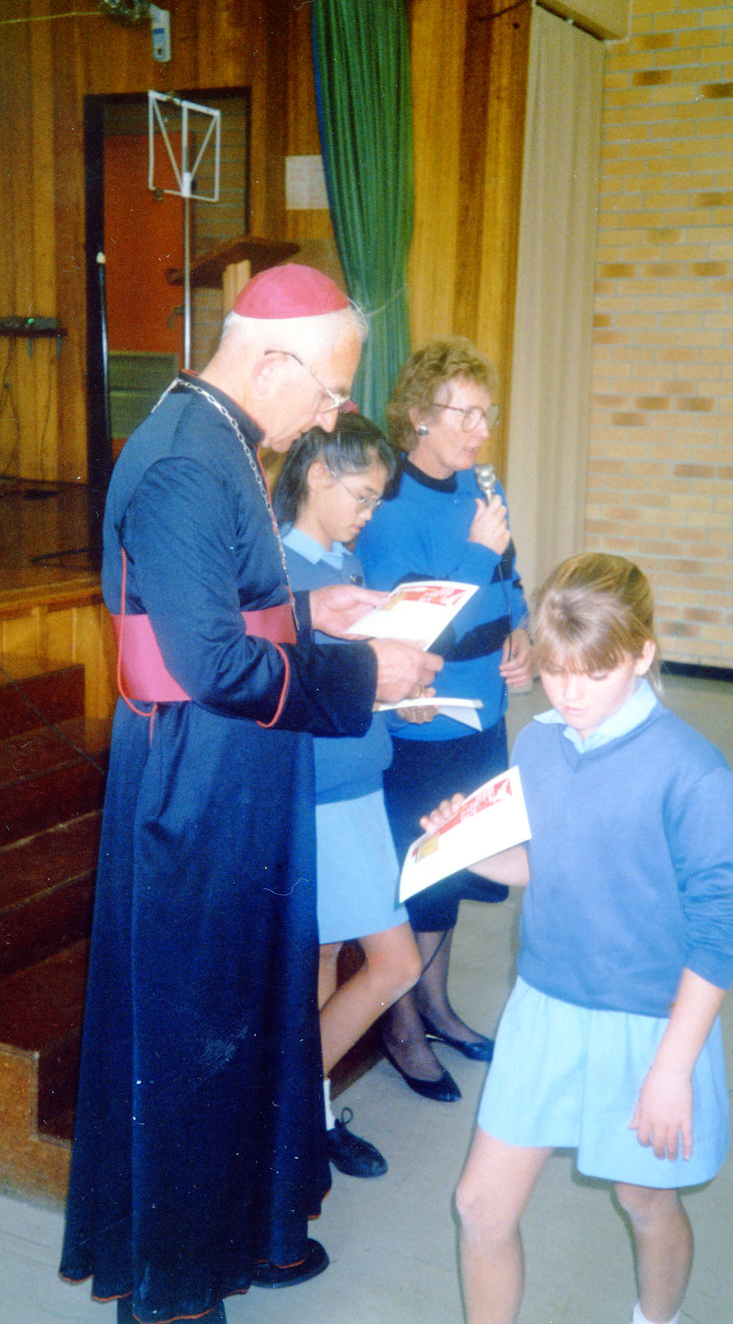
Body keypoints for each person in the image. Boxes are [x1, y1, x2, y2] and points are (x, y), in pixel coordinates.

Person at [59, 264, 441, 1324]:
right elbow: (213, 667)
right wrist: (368, 676)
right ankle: (175, 1297)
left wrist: (325, 619)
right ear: (273, 359)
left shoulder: (219, 439)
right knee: (195, 1038)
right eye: (324, 393)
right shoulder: (186, 462)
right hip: (195, 794)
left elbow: (238, 626)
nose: (328, 417)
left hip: (235, 778)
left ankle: (231, 1237)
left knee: (239, 1018)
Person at [421, 552, 733, 1324]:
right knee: (478, 1205)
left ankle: (654, 1318)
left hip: (650, 1021)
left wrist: (673, 1068)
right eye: (555, 669)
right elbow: (542, 863)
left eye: (594, 672)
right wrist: (462, 846)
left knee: (644, 1197)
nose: (570, 693)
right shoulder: (539, 742)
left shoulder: (693, 773)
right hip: (545, 1004)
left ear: (642, 653)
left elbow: (723, 931)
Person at [356, 338, 532, 1102]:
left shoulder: (480, 480)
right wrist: (473, 551)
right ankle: (400, 1028)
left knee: (464, 863)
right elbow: (410, 628)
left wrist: (520, 628)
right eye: (468, 414)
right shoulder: (390, 506)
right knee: (423, 872)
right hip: (428, 717)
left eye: (487, 414)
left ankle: (437, 1003)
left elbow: (507, 569)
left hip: (485, 707)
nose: (482, 429)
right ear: (421, 416)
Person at [274, 412, 424, 1179]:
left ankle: (312, 1114)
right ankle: (293, 1109)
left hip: (357, 779)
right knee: (395, 963)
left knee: (329, 951)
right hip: (324, 791)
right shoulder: (283, 574)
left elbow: (351, 683)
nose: (369, 514)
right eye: (361, 496)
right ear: (317, 476)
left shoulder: (343, 560)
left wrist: (403, 694)